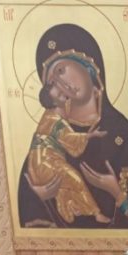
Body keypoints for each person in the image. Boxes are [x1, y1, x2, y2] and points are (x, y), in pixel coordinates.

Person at [19, 24, 128, 229]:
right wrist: (40, 196)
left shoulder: (124, 136)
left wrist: (117, 192)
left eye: (61, 70)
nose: (62, 83)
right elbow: (27, 217)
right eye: (52, 82)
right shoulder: (49, 138)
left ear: (89, 65)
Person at [26, 80, 110, 224]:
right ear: (54, 102)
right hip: (45, 163)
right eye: (60, 94)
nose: (64, 94)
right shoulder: (55, 120)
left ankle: (66, 207)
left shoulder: (51, 113)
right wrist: (90, 135)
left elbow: (75, 113)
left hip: (38, 164)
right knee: (75, 179)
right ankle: (96, 213)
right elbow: (70, 138)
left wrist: (93, 96)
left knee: (65, 184)